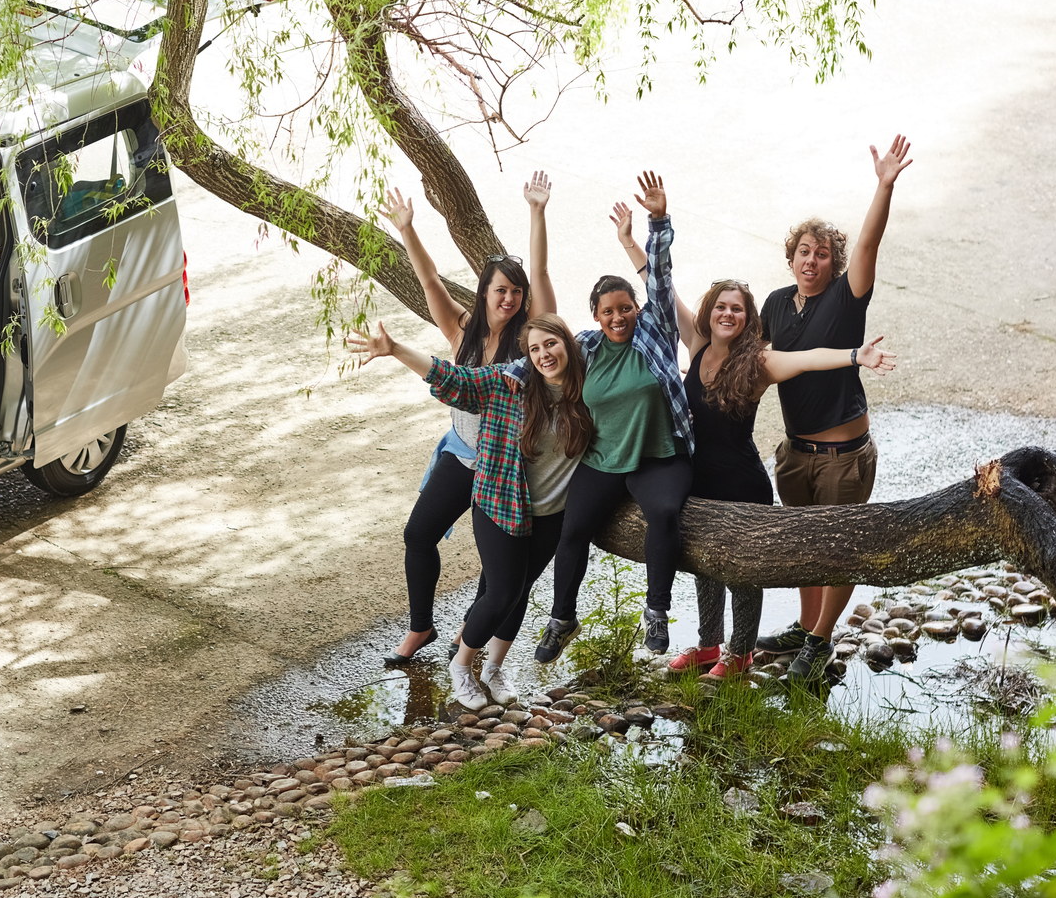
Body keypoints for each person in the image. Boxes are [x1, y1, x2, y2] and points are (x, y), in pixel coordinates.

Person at [601, 254, 896, 679]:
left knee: (742, 571)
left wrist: (855, 356)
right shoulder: (698, 345)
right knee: (703, 566)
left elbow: (807, 358)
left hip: (742, 484)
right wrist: (633, 246)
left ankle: (740, 653)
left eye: (737, 309)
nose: (728, 314)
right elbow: (664, 291)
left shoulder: (758, 362)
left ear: (748, 319)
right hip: (699, 480)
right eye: (721, 306)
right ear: (709, 312)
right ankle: (708, 646)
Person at [348, 314, 591, 710]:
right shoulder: (506, 385)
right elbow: (452, 379)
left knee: (520, 592)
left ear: (568, 343)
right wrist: (395, 349)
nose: (544, 354)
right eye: (534, 349)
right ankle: (461, 666)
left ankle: (494, 668)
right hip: (500, 501)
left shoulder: (588, 388)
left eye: (551, 344)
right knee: (501, 592)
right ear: (527, 357)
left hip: (553, 512)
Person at [510, 173, 695, 663]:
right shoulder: (586, 348)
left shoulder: (655, 334)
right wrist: (496, 378)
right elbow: (540, 356)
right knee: (573, 531)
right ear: (595, 315)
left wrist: (657, 222)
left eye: (625, 308)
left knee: (664, 514)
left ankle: (657, 610)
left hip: (660, 457)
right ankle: (562, 618)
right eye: (608, 311)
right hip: (603, 458)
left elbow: (661, 278)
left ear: (637, 309)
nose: (618, 317)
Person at [376, 174, 557, 667]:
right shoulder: (461, 330)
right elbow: (429, 281)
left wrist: (536, 212)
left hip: (508, 464)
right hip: (461, 453)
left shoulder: (531, 336)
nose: (509, 299)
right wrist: (407, 229)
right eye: (501, 290)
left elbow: (541, 271)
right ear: (484, 292)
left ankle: (472, 634)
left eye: (516, 292)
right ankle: (421, 626)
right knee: (418, 534)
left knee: (496, 568)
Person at [753, 135, 913, 685]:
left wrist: (883, 186)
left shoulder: (846, 298)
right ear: (791, 256)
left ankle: (819, 641)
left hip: (843, 457)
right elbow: (752, 361)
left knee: (838, 549)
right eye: (804, 251)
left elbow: (869, 242)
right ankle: (804, 626)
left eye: (822, 253)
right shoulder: (776, 303)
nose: (812, 260)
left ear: (834, 262)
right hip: (795, 453)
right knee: (804, 547)